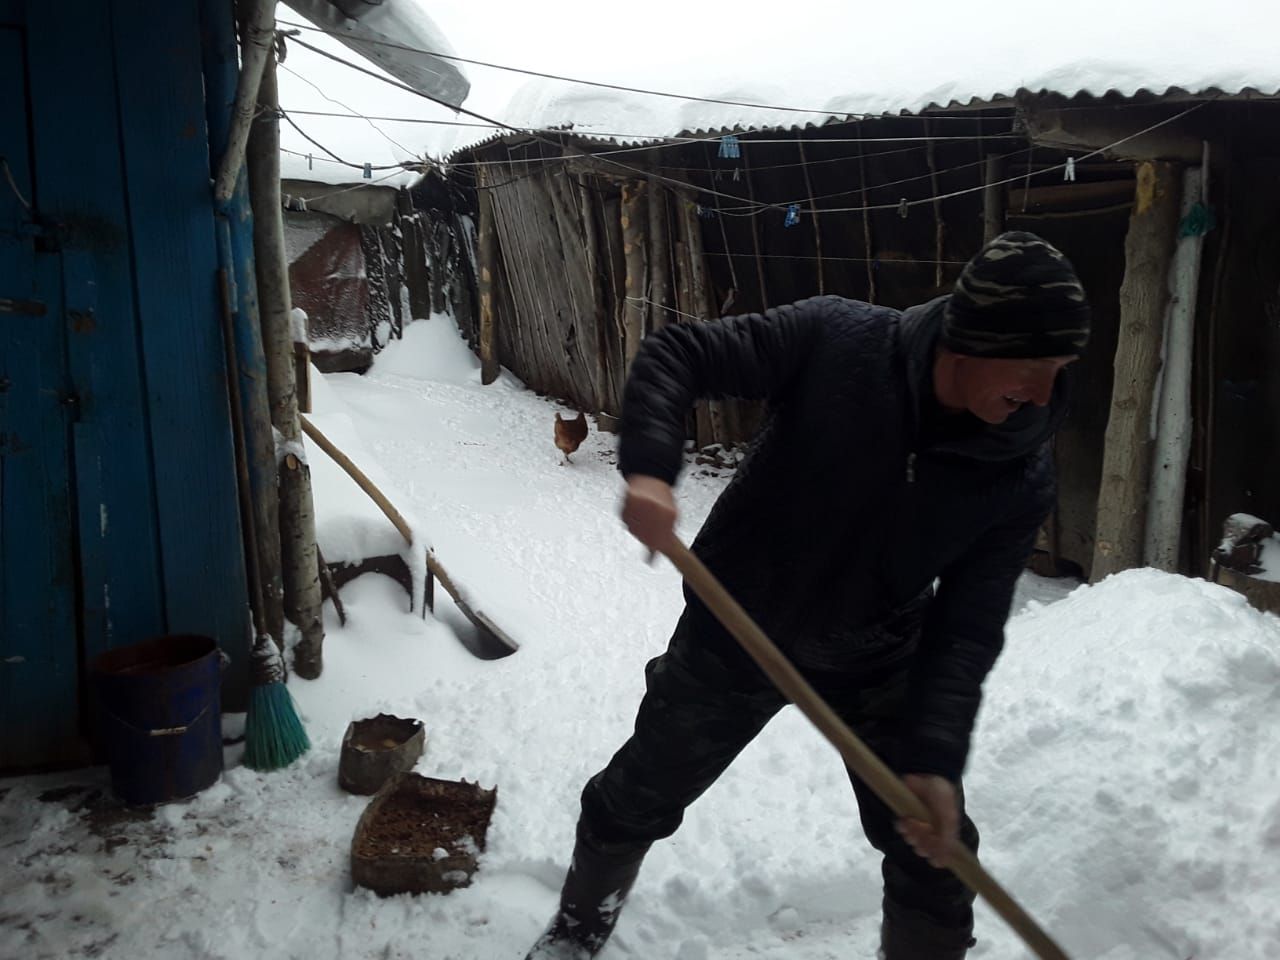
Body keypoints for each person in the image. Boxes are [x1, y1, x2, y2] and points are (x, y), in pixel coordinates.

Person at [525, 231, 1090, 960]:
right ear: (970, 339)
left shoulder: (1020, 475)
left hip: (876, 652)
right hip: (734, 627)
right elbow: (679, 354)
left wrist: (937, 760)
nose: (1045, 393)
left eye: (1060, 368)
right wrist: (651, 470)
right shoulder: (839, 339)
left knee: (937, 849)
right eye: (1032, 365)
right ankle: (577, 927)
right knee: (635, 794)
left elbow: (967, 629)